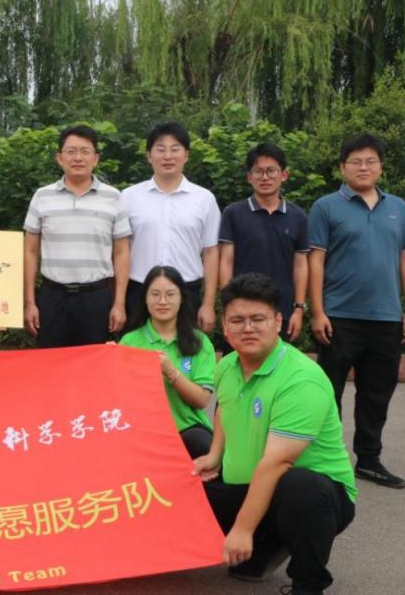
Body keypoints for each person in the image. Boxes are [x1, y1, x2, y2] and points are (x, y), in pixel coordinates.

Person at [194, 273, 356, 594]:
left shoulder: (301, 379)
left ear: (278, 321)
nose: (248, 328)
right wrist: (214, 455)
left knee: (302, 488)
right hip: (249, 484)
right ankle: (268, 545)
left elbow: (276, 463)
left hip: (311, 494)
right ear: (224, 326)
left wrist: (242, 529)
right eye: (237, 320)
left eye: (258, 319)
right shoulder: (227, 366)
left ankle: (308, 583)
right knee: (188, 490)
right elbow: (225, 408)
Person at [308, 133, 405, 489]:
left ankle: (369, 459)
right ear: (343, 167)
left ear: (381, 167)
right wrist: (317, 311)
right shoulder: (326, 207)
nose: (363, 167)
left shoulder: (397, 207)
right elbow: (315, 260)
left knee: (377, 393)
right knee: (328, 391)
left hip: (386, 317)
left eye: (371, 161)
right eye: (355, 161)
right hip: (338, 317)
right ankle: (325, 457)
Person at [23, 124, 131, 347]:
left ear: (96, 158)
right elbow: (30, 251)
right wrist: (29, 302)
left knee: (95, 363)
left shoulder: (113, 197)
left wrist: (119, 303)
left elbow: (121, 252)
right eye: (71, 151)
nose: (78, 158)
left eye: (85, 151)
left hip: (96, 298)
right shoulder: (42, 196)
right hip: (52, 296)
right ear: (59, 158)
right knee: (50, 363)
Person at [122, 121, 220, 332]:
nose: (168, 156)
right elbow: (120, 251)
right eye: (160, 149)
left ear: (186, 155)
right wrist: (118, 302)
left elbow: (211, 252)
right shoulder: (129, 197)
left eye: (175, 149)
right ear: (149, 156)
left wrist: (208, 304)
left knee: (187, 349)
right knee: (135, 350)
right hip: (139, 291)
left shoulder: (204, 199)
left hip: (187, 291)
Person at [119, 266, 214, 458]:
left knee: (202, 444)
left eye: (170, 294)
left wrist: (171, 372)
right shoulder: (129, 342)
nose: (162, 301)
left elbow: (202, 400)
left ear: (182, 298)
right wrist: (108, 360)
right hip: (141, 430)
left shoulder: (200, 342)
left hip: (186, 428)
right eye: (155, 294)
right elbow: (118, 394)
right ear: (145, 298)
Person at [219, 142, 309, 341]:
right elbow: (226, 261)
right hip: (241, 310)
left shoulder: (298, 216)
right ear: (249, 177)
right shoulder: (233, 213)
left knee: (280, 360)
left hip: (282, 311)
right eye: (258, 171)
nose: (265, 177)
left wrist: (299, 308)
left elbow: (301, 265)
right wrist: (226, 306)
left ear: (284, 175)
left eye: (271, 171)